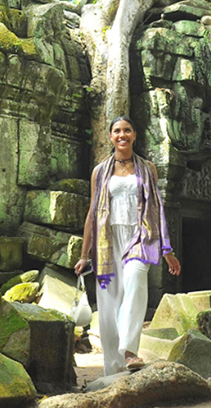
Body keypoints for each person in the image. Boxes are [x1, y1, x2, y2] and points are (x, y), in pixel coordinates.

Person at [75, 115, 181, 375]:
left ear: (134, 135)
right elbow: (92, 212)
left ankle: (131, 350)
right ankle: (114, 369)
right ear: (111, 137)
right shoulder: (100, 171)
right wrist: (83, 254)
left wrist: (167, 250)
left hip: (139, 237)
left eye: (127, 130)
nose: (122, 135)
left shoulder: (148, 168)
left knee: (135, 282)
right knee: (109, 304)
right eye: (117, 131)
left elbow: (156, 210)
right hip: (107, 241)